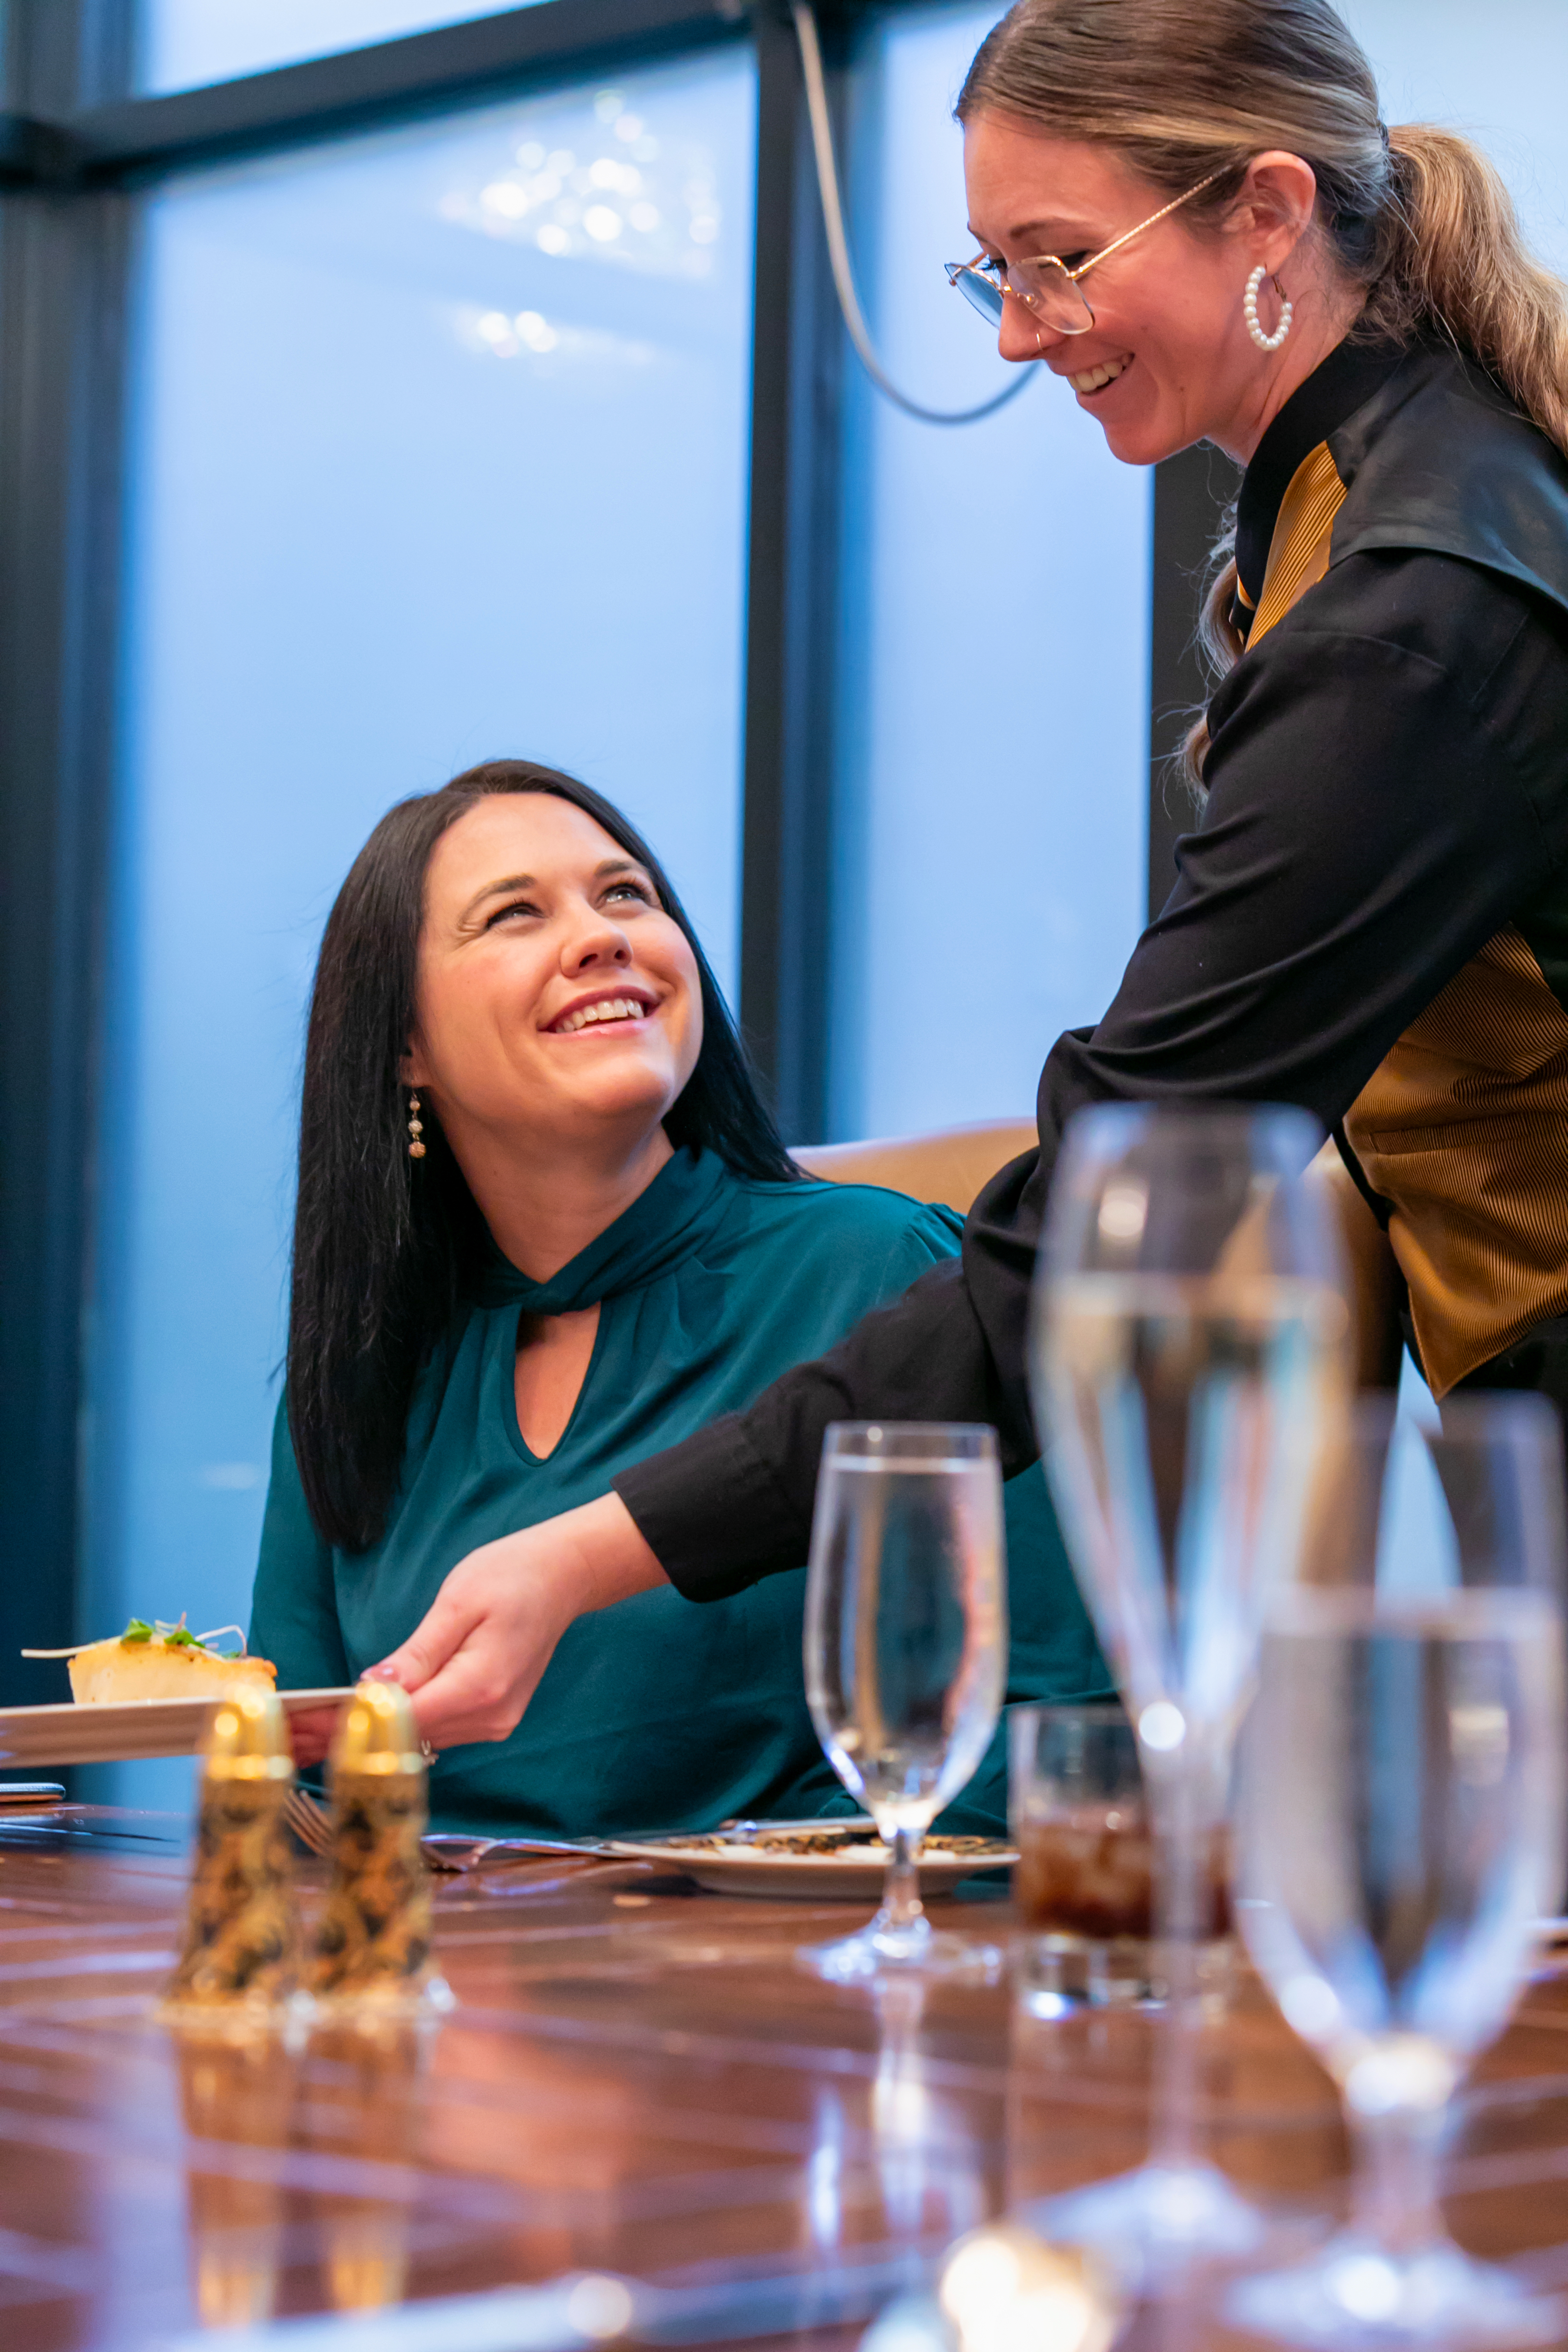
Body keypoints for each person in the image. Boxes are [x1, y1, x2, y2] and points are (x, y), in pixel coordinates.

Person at [369, 0, 1568, 1759]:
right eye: (990, 272)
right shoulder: (1380, 509)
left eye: (1060, 261)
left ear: (1267, 210)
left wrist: (592, 1551)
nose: (1021, 331)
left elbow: (1119, 1207)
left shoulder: (1411, 613)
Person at [252, 759, 1107, 1833]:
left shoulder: (891, 1276)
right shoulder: (361, 1372)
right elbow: (289, 1795)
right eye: (514, 913)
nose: (604, 935)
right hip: (434, 1983)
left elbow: (1047, 1740)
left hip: (788, 1978)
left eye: (628, 896)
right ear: (404, 1046)